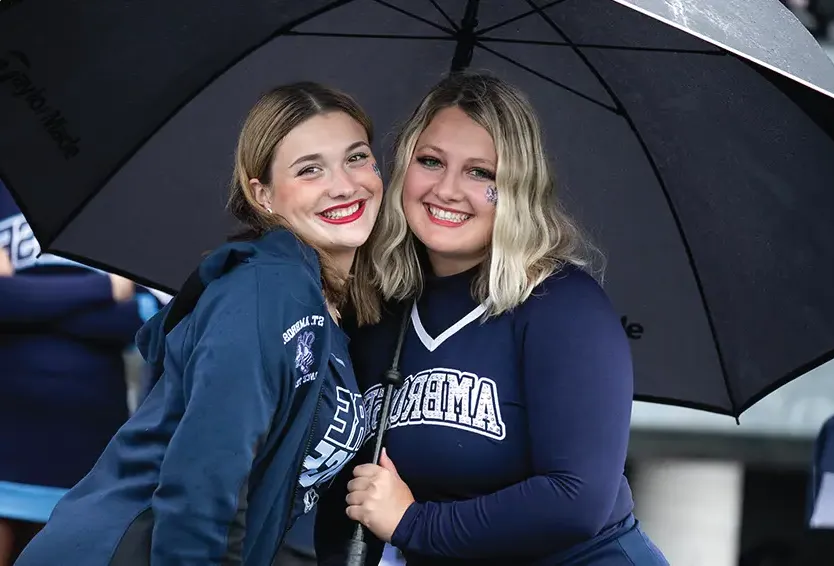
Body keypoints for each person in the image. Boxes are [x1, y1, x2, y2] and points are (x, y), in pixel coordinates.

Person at [14, 80, 384, 566]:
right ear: (263, 195)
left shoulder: (327, 306)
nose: (344, 184)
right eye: (310, 169)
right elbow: (205, 479)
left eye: (356, 157)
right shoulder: (266, 291)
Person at [316, 71, 670, 565]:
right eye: (431, 161)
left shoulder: (564, 305)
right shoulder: (376, 311)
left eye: (480, 173)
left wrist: (413, 523)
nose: (447, 189)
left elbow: (577, 499)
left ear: (517, 188)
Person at [0, 180, 158, 566]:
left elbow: (139, 324)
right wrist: (107, 287)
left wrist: (27, 305)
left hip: (88, 449)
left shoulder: (119, 197)